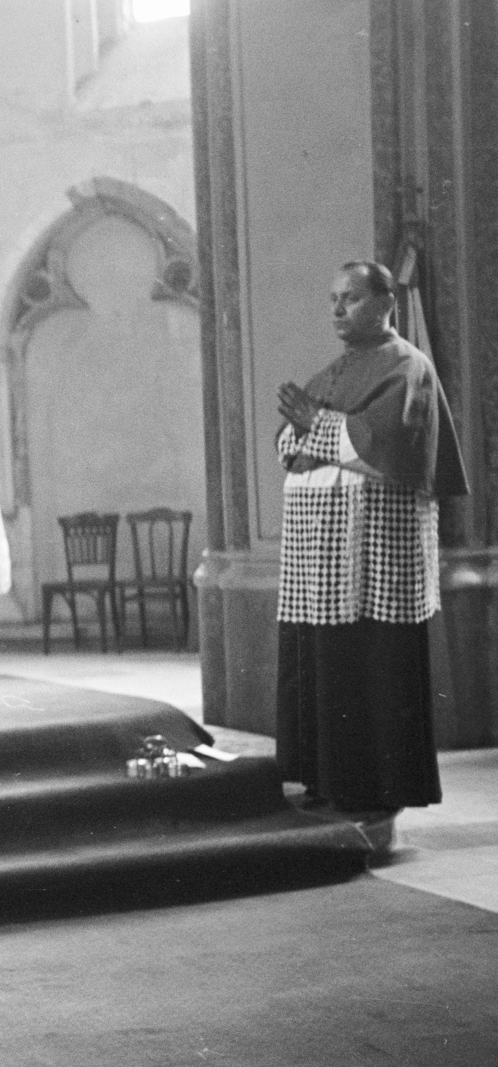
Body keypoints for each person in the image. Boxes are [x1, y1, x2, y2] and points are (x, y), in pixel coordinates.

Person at [275, 261, 469, 816]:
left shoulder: (408, 367)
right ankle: (323, 775)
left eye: (352, 298)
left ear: (386, 303)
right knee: (324, 659)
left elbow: (387, 447)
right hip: (322, 548)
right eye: (333, 298)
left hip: (376, 543)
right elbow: (292, 442)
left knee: (370, 662)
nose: (337, 310)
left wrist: (322, 431)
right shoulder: (336, 368)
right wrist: (316, 436)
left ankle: (375, 784)